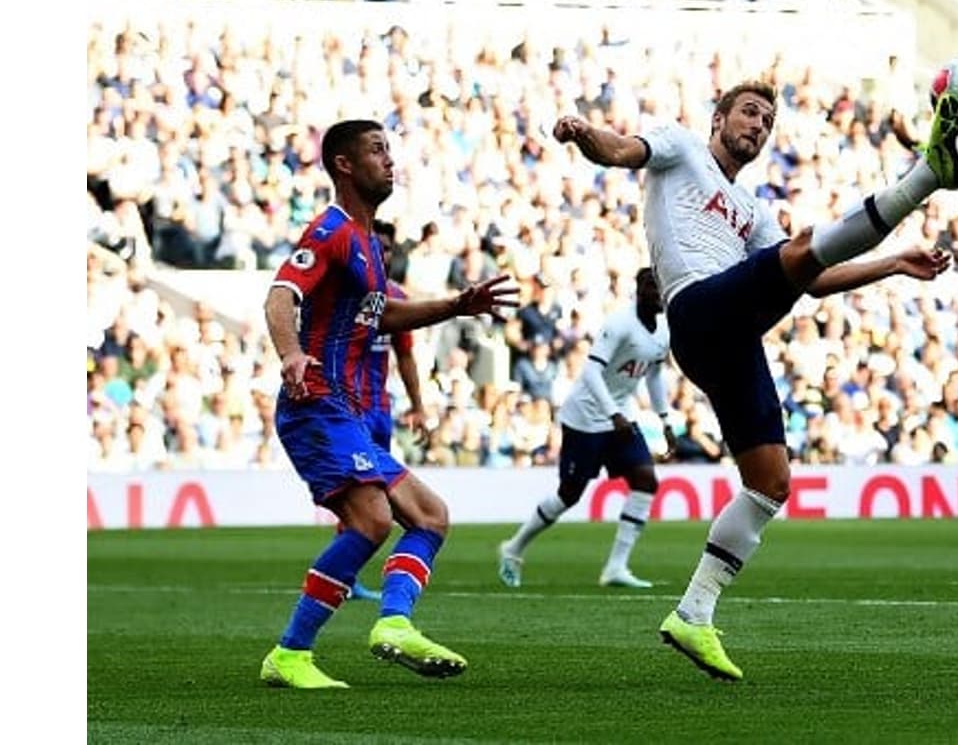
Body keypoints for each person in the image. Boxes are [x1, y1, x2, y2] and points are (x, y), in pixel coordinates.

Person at [553, 79, 958, 679]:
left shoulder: (753, 212)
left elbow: (813, 280)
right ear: (717, 117)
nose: (758, 125)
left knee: (771, 482)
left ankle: (694, 613)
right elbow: (618, 150)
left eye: (767, 121)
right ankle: (925, 176)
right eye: (748, 112)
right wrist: (583, 132)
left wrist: (894, 265)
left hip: (733, 335)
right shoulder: (680, 146)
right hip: (696, 308)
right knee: (800, 249)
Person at [259, 119, 518, 689]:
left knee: (430, 518)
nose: (389, 160)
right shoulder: (329, 230)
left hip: (348, 411)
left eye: (389, 150)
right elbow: (281, 296)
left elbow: (385, 316)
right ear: (345, 166)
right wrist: (291, 354)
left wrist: (456, 305)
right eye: (377, 151)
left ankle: (394, 623)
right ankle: (290, 654)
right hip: (317, 401)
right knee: (373, 520)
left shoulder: (370, 244)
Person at [497, 268, 675, 590]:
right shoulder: (620, 324)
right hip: (586, 417)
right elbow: (591, 373)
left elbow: (653, 375)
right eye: (651, 287)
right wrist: (613, 414)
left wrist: (665, 419)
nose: (657, 293)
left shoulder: (664, 329)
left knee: (646, 480)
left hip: (620, 416)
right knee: (569, 495)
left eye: (660, 287)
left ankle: (616, 567)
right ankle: (514, 547)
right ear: (639, 289)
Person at [345, 218, 427, 602]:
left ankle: (347, 576)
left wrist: (419, 406)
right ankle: (345, 576)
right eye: (377, 247)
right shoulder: (346, 296)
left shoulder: (396, 298)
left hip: (380, 409)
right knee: (367, 494)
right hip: (348, 407)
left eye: (389, 249)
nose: (384, 254)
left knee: (370, 494)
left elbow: (406, 357)